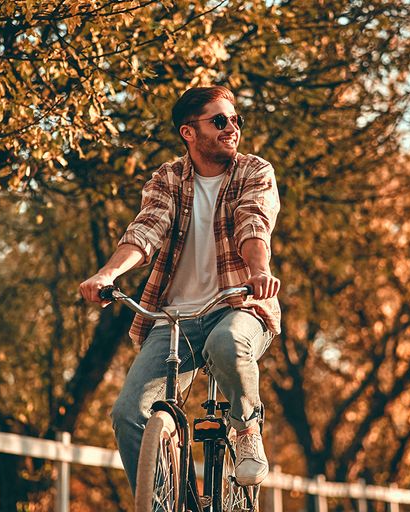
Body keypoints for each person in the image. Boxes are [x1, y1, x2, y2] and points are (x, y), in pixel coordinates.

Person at [79, 86, 281, 491]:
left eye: (235, 119)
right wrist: (108, 275)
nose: (231, 128)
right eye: (219, 120)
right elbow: (146, 230)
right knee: (129, 413)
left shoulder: (254, 171)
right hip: (175, 318)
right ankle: (166, 499)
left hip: (238, 302)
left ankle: (246, 430)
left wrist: (259, 271)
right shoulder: (168, 178)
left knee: (226, 344)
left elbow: (252, 222)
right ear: (189, 133)